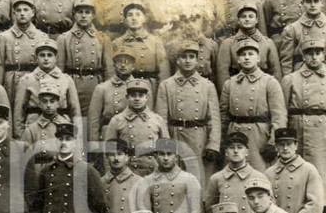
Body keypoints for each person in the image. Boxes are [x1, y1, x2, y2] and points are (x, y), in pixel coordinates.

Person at [282, 38, 326, 213]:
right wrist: (279, 139)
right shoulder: (290, 80)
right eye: (309, 53)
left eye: (318, 53)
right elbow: (282, 111)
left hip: (323, 135)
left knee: (321, 178)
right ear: (303, 56)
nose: (314, 57)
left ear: (323, 56)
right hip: (298, 132)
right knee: (296, 178)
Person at [155, 40, 222, 185]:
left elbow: (214, 119)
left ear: (197, 60)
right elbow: (161, 119)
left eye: (191, 57)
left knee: (198, 182)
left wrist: (213, 144)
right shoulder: (166, 85)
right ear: (177, 60)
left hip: (199, 139)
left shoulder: (207, 86)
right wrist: (166, 144)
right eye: (183, 57)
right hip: (176, 137)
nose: (187, 61)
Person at [219, 38, 287, 171]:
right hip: (235, 136)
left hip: (259, 137)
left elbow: (279, 115)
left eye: (251, 54)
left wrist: (273, 142)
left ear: (258, 58)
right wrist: (222, 142)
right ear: (238, 59)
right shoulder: (230, 83)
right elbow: (223, 116)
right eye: (243, 55)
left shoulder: (269, 82)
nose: (246, 58)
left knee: (260, 175)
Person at [265, 127, 325, 213]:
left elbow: (315, 204)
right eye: (281, 144)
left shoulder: (309, 170)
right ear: (276, 147)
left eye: (289, 144)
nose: (285, 148)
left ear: (296, 146)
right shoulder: (269, 173)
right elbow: (266, 205)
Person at [13, 38, 82, 140]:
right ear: (36, 58)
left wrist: (78, 137)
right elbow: (19, 113)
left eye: (49, 55)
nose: (46, 59)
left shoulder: (66, 79)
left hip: (61, 127)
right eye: (42, 55)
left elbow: (75, 112)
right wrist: (20, 137)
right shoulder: (27, 80)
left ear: (55, 58)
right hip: (35, 127)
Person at [104, 2, 170, 107]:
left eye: (138, 14)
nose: (134, 18)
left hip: (149, 89)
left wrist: (161, 95)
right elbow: (110, 71)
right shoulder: (117, 43)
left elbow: (164, 72)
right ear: (125, 20)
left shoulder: (155, 42)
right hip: (125, 87)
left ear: (144, 19)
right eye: (130, 15)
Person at [203, 131, 269, 213]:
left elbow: (268, 208)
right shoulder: (216, 178)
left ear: (247, 152)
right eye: (231, 147)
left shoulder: (259, 177)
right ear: (226, 152)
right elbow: (210, 209)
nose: (235, 151)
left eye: (240, 147)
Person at [102, 78, 169, 176]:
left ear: (147, 97)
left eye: (141, 96)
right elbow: (108, 152)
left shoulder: (157, 120)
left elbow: (167, 150)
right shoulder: (117, 120)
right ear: (127, 97)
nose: (137, 99)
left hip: (153, 171)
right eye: (133, 95)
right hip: (127, 170)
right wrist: (111, 175)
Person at [56, 0, 105, 120]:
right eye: (80, 12)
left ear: (93, 15)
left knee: (94, 118)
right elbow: (59, 70)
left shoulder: (102, 38)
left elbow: (108, 70)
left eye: (87, 12)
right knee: (75, 118)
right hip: (73, 83)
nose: (83, 16)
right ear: (74, 14)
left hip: (94, 84)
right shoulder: (64, 38)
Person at [216, 3, 282, 88]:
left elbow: (276, 72)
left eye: (251, 16)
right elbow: (223, 74)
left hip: (262, 89)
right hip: (237, 88)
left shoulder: (268, 43)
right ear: (238, 20)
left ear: (256, 20)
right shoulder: (228, 44)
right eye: (243, 17)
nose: (247, 19)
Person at [0, 0, 43, 102]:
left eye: (26, 10)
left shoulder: (41, 36)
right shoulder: (4, 37)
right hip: (12, 82)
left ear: (32, 12)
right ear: (14, 13)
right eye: (18, 10)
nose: (22, 13)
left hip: (34, 80)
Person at [87, 47, 137, 143]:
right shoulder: (102, 88)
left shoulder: (141, 87)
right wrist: (94, 145)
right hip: (109, 134)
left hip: (132, 133)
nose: (123, 65)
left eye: (127, 62)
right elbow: (94, 120)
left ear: (133, 66)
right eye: (119, 62)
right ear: (114, 65)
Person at [21, 82, 72, 165]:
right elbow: (24, 159)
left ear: (58, 103)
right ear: (40, 104)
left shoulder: (67, 126)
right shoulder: (31, 129)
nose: (48, 105)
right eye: (45, 101)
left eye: (52, 101)